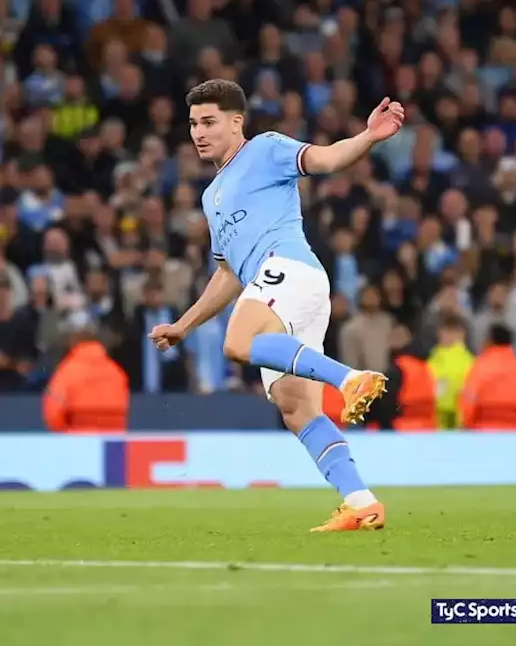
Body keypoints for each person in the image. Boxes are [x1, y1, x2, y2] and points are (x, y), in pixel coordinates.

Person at [148, 79, 405, 532]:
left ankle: (350, 379)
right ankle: (362, 502)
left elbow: (325, 158)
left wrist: (367, 138)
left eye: (208, 122)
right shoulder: (211, 196)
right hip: (277, 289)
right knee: (297, 410)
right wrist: (183, 326)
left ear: (235, 121)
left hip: (290, 269)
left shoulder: (265, 149)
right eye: (192, 124)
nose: (198, 132)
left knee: (239, 341)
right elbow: (228, 273)